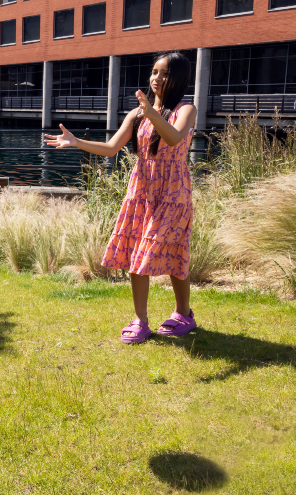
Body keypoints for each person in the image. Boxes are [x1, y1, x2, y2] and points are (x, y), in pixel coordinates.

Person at [44, 51, 197, 344]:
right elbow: (111, 148)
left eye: (164, 73)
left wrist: (152, 113)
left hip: (174, 193)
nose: (157, 78)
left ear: (178, 78)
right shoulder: (137, 114)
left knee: (174, 250)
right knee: (137, 253)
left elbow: (175, 138)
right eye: (154, 72)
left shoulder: (186, 110)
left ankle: (183, 313)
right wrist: (76, 142)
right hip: (142, 191)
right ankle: (141, 320)